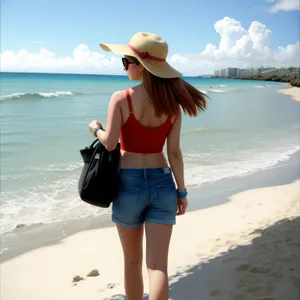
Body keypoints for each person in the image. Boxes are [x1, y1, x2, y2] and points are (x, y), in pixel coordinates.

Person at [88, 32, 207, 300]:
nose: (123, 66)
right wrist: (182, 191)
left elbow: (109, 144)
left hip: (128, 185)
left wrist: (96, 128)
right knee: (158, 266)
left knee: (132, 261)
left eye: (125, 61)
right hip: (163, 183)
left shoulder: (121, 98)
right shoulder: (173, 106)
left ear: (140, 65)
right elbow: (174, 152)